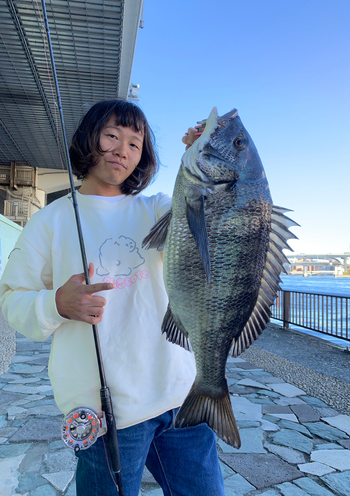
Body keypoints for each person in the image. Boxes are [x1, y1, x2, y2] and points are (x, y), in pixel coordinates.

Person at [0, 99, 225, 496]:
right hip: (107, 413)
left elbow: (212, 219)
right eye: (112, 136)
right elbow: (10, 299)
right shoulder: (49, 221)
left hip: (182, 397)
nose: (123, 150)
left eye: (135, 143)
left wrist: (206, 157)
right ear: (89, 139)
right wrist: (55, 304)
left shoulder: (156, 209)